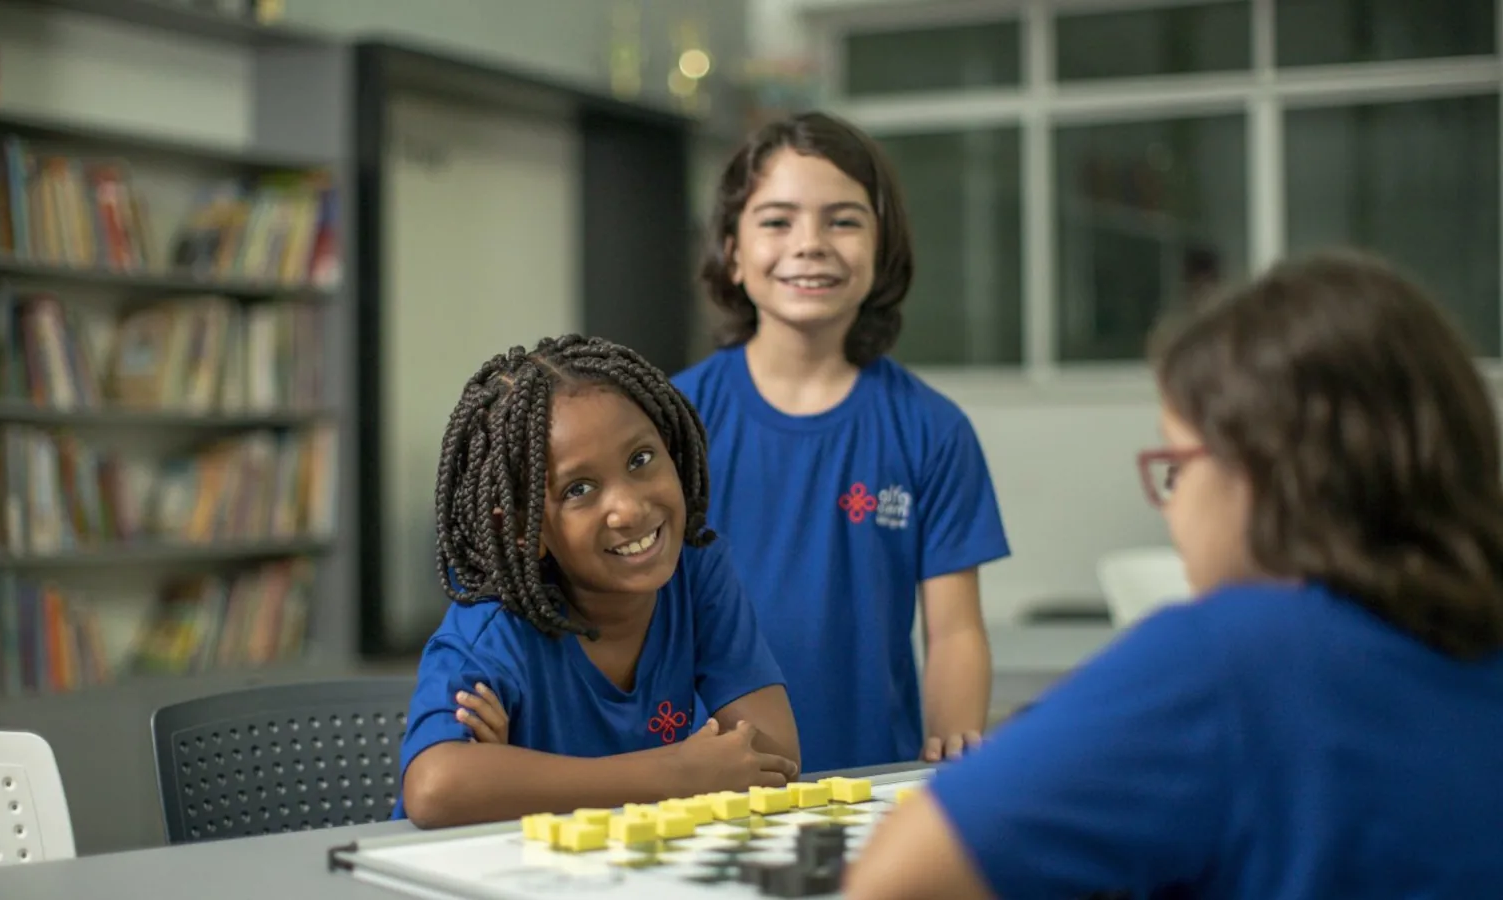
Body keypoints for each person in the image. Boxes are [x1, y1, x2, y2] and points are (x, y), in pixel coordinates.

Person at [845, 249, 1503, 899]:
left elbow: (899, 877)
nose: (1171, 503)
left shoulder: (1232, 657)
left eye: (1177, 466)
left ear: (1262, 468)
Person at [671, 111, 1010, 773]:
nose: (810, 243)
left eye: (844, 220)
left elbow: (955, 630)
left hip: (871, 779)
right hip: (699, 777)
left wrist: (951, 747)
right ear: (733, 253)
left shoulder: (934, 431)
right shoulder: (670, 420)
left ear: (882, 250)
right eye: (777, 220)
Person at [395, 334, 800, 829]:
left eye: (640, 460)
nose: (629, 509)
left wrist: (514, 782)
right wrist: (675, 774)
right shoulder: (494, 625)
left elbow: (774, 755)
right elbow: (436, 789)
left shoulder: (697, 572)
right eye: (578, 489)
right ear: (523, 532)